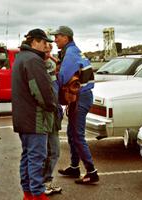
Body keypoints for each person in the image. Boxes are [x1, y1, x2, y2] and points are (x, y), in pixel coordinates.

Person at [12, 28, 57, 200]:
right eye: (44, 42)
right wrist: (52, 106)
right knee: (37, 157)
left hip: (24, 117)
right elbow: (40, 91)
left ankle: (28, 193)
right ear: (35, 42)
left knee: (28, 156)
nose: (47, 46)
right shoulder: (33, 60)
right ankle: (37, 194)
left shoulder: (21, 57)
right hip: (35, 117)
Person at [50, 26, 99, 184]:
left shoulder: (70, 53)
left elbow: (63, 78)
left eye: (57, 36)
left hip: (80, 98)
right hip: (81, 96)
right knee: (72, 134)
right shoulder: (74, 51)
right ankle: (74, 167)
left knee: (78, 136)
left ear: (66, 37)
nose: (55, 39)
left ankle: (91, 172)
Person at [43, 43, 63, 195]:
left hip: (53, 114)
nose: (48, 51)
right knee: (48, 152)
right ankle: (43, 183)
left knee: (53, 151)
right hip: (45, 116)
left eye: (50, 49)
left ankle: (46, 182)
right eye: (46, 48)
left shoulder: (52, 64)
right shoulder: (40, 67)